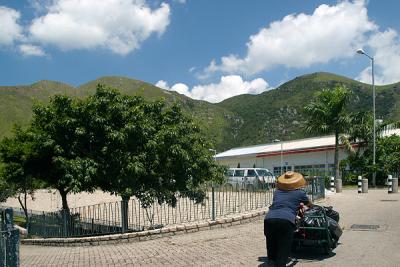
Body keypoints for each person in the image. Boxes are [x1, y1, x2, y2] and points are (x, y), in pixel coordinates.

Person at [264, 171, 311, 267]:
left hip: (269, 219)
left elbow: (280, 203)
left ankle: (271, 262)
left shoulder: (277, 192)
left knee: (271, 245)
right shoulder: (300, 193)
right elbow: (309, 204)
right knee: (283, 247)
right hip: (286, 220)